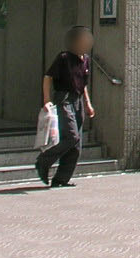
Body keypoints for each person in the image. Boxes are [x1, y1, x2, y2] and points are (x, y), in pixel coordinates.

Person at [36, 26, 96, 188]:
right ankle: (43, 161)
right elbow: (48, 77)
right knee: (71, 137)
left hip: (77, 101)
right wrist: (47, 100)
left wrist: (87, 103)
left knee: (76, 145)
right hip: (64, 99)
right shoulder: (64, 58)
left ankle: (61, 179)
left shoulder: (86, 60)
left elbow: (83, 84)